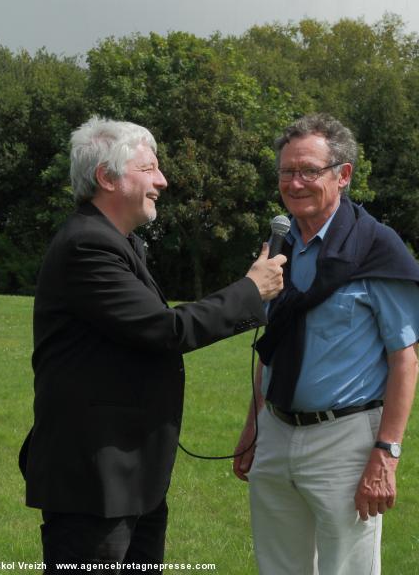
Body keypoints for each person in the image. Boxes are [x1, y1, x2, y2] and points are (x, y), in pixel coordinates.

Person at [19, 116, 286, 566]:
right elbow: (164, 330)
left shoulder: (121, 244)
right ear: (107, 177)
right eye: (149, 169)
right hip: (95, 479)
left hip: (128, 476)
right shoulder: (88, 245)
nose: (162, 180)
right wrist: (249, 290)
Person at [233, 114, 419, 575]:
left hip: (345, 440)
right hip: (277, 431)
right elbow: (274, 347)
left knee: (346, 569)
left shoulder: (377, 247)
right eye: (287, 172)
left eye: (309, 170)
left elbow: (405, 361)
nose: (295, 182)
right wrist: (254, 426)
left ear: (343, 175)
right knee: (277, 567)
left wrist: (386, 455)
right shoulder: (281, 245)